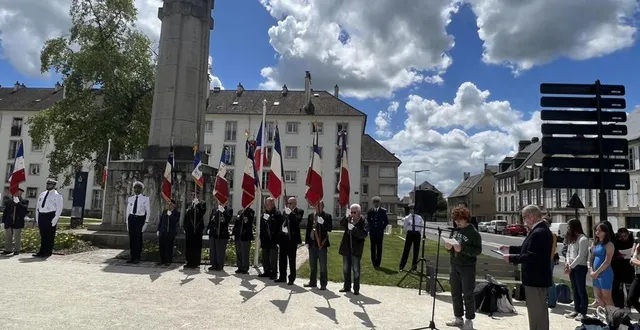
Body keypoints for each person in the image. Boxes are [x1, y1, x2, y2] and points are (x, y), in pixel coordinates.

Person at [500, 205, 552, 330]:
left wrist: (512, 258)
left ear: (531, 216)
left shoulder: (540, 232)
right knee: (535, 312)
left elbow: (532, 255)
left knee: (537, 313)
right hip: (534, 279)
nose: (523, 221)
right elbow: (527, 248)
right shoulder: (538, 230)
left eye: (524, 218)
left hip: (536, 279)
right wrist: (510, 249)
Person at [445, 206, 482, 330]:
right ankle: (458, 318)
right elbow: (450, 246)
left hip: (467, 267)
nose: (457, 222)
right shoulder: (455, 231)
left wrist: (463, 249)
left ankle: (469, 319)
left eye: (460, 220)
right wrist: (448, 247)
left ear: (466, 218)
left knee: (468, 294)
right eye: (455, 220)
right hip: (454, 264)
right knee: (455, 293)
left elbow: (478, 250)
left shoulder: (473, 233)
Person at [563, 218, 590, 320]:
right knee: (574, 289)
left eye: (569, 226)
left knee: (581, 290)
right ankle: (576, 310)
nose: (568, 228)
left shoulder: (583, 239)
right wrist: (567, 263)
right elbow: (568, 252)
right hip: (572, 266)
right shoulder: (572, 239)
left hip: (580, 267)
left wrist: (571, 266)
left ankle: (583, 312)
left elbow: (581, 255)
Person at [339, 203, 368, 295]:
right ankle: (347, 286)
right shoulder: (349, 220)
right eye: (351, 212)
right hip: (346, 248)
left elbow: (363, 234)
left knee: (356, 270)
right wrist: (346, 216)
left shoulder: (363, 221)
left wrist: (354, 229)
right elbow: (341, 224)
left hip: (356, 250)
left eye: (354, 212)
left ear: (359, 212)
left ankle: (356, 288)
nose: (352, 214)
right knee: (346, 269)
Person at [304, 200, 332, 290]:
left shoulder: (327, 216)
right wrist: (306, 242)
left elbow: (330, 228)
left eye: (320, 206)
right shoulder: (311, 216)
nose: (318, 208)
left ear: (323, 207)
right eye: (316, 206)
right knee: (312, 264)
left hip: (321, 244)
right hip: (312, 243)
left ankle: (323, 283)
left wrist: (323, 222)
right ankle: (312, 282)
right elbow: (308, 230)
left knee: (323, 265)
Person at [34, 178, 64, 259]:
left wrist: (55, 219)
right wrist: (37, 218)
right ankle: (41, 251)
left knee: (49, 235)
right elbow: (38, 206)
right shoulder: (42, 194)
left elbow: (59, 208)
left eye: (50, 184)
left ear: (54, 185)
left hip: (50, 215)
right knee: (43, 234)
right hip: (42, 215)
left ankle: (47, 251)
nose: (48, 185)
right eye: (47, 184)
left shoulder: (57, 195)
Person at [277, 197, 304, 285]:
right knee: (282, 259)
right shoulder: (285, 212)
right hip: (284, 239)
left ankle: (292, 278)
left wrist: (291, 214)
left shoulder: (299, 211)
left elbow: (297, 221)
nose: (289, 205)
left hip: (292, 240)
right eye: (288, 203)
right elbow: (282, 223)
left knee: (292, 260)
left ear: (295, 203)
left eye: (291, 203)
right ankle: (282, 277)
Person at [589, 223, 615, 307]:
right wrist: (591, 270)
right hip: (595, 273)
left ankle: (613, 317)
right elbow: (591, 258)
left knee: (607, 298)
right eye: (596, 230)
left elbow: (607, 261)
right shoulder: (594, 243)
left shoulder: (609, 244)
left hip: (605, 273)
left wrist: (596, 272)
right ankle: (603, 315)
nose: (597, 232)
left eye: (600, 230)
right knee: (599, 297)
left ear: (605, 232)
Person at [125, 181, 150, 264]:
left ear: (141, 189)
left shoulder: (145, 198)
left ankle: (137, 257)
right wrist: (127, 223)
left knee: (138, 239)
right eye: (135, 188)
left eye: (138, 188)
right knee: (132, 239)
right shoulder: (131, 198)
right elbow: (128, 211)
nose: (136, 189)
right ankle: (132, 257)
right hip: (131, 219)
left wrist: (146, 223)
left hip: (139, 219)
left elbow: (148, 211)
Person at [258, 197, 281, 279]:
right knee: (265, 257)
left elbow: (277, 226)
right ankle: (266, 271)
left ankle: (273, 273)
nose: (266, 206)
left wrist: (270, 219)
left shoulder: (277, 213)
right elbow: (262, 226)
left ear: (272, 204)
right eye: (265, 204)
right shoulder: (264, 213)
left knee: (273, 257)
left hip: (273, 239)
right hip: (265, 239)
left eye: (267, 204)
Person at [612, 227, 635, 308]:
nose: (623, 238)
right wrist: (619, 255)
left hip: (629, 266)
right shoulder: (616, 241)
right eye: (621, 237)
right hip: (619, 267)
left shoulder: (632, 240)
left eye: (625, 236)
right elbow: (614, 253)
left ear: (628, 235)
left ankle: (629, 305)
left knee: (629, 287)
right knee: (619, 288)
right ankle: (620, 305)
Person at [2, 187, 29, 255]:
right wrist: (4, 221)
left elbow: (24, 211)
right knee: (8, 236)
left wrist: (18, 203)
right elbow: (6, 211)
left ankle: (17, 250)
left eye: (18, 192)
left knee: (17, 237)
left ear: (21, 193)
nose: (16, 193)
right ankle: (8, 249)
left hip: (17, 221)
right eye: (15, 192)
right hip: (9, 221)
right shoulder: (9, 201)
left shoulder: (24, 201)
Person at [183, 194, 206, 269]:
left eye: (195, 195)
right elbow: (186, 216)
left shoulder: (202, 203)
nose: (193, 196)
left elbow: (202, 213)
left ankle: (195, 262)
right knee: (189, 246)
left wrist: (198, 205)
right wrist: (184, 226)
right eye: (192, 195)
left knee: (196, 246)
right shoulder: (189, 204)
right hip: (189, 229)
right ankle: (189, 261)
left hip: (197, 228)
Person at [207, 202, 231, 271]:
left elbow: (228, 219)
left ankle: (220, 265)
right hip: (213, 233)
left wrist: (223, 210)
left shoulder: (228, 210)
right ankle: (213, 265)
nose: (220, 202)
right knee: (213, 250)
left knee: (220, 251)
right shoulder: (214, 209)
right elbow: (211, 220)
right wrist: (209, 228)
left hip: (222, 234)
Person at [366, 196, 388, 268]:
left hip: (379, 232)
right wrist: (370, 228)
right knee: (372, 247)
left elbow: (386, 221)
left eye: (377, 202)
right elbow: (368, 221)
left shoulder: (383, 211)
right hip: (372, 232)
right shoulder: (370, 211)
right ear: (373, 203)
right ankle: (373, 262)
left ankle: (378, 263)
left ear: (379, 203)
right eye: (375, 202)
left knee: (379, 247)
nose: (376, 204)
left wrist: (382, 228)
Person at [399, 204, 422, 271]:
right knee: (406, 250)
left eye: (414, 209)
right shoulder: (407, 218)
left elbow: (420, 227)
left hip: (417, 234)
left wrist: (418, 232)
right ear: (410, 210)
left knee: (416, 251)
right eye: (411, 209)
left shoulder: (419, 217)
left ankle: (414, 267)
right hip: (410, 234)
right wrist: (409, 232)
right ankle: (402, 266)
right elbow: (405, 227)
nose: (413, 210)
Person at [156, 199, 179, 266]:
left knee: (169, 247)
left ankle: (168, 260)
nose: (169, 205)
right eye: (168, 204)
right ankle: (162, 260)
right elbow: (161, 222)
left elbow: (175, 221)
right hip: (162, 232)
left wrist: (171, 215)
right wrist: (158, 230)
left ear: (174, 205)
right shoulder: (164, 211)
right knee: (162, 246)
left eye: (171, 204)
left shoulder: (176, 212)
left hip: (170, 232)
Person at [232, 207, 255, 274]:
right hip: (238, 235)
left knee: (245, 252)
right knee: (239, 251)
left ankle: (245, 267)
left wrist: (245, 212)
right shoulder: (240, 211)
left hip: (246, 236)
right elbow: (236, 223)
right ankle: (240, 267)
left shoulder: (251, 212)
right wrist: (234, 233)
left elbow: (250, 220)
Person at [543, 214, 559, 308]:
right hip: (544, 260)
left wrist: (549, 258)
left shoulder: (552, 235)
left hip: (548, 260)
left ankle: (552, 300)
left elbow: (553, 249)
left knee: (549, 280)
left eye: (545, 222)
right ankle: (547, 298)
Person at [627, 232, 640, 313]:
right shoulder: (638, 247)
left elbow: (634, 261)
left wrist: (635, 261)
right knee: (631, 298)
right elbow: (631, 260)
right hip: (638, 275)